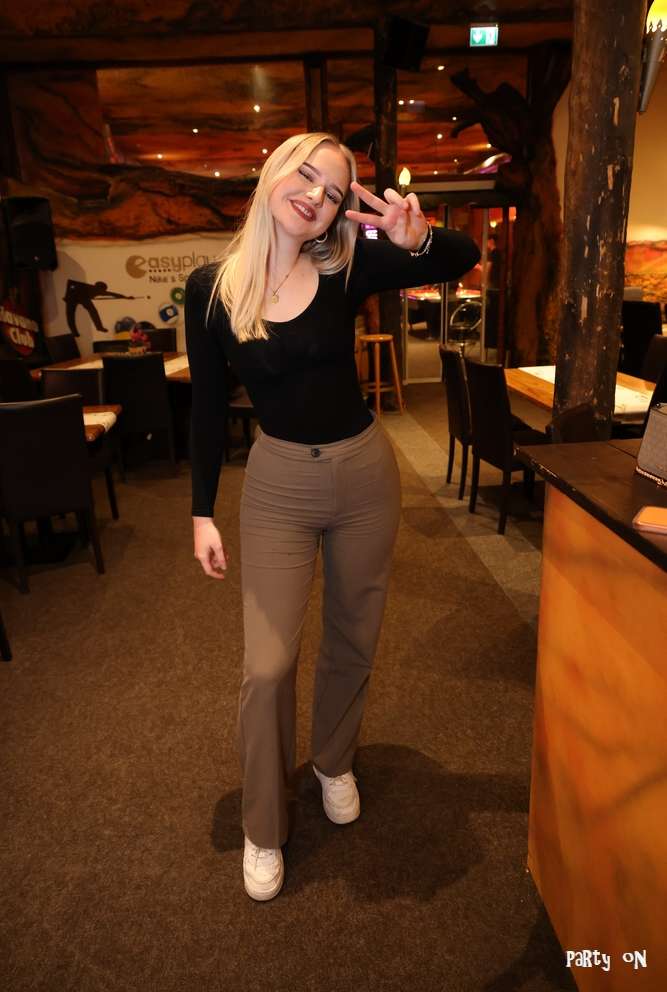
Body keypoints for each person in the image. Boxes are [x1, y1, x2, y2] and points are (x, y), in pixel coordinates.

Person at [185, 131, 480, 901]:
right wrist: (201, 511)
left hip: (362, 474)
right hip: (277, 482)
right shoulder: (212, 288)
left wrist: (419, 241)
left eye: (333, 190)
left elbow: (459, 257)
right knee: (266, 665)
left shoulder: (345, 263)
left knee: (354, 633)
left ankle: (333, 761)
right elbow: (207, 409)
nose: (315, 195)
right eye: (306, 174)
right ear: (272, 172)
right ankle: (262, 824)